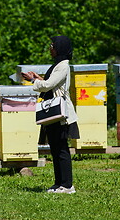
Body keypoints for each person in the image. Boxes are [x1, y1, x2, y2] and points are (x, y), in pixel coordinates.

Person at [21, 36, 79, 194]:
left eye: (52, 45)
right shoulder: (58, 65)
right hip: (52, 112)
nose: (50, 48)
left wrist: (33, 81)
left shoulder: (63, 65)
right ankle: (58, 183)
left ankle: (67, 185)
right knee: (55, 148)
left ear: (60, 48)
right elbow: (51, 82)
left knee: (61, 149)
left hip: (61, 114)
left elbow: (48, 85)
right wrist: (39, 78)